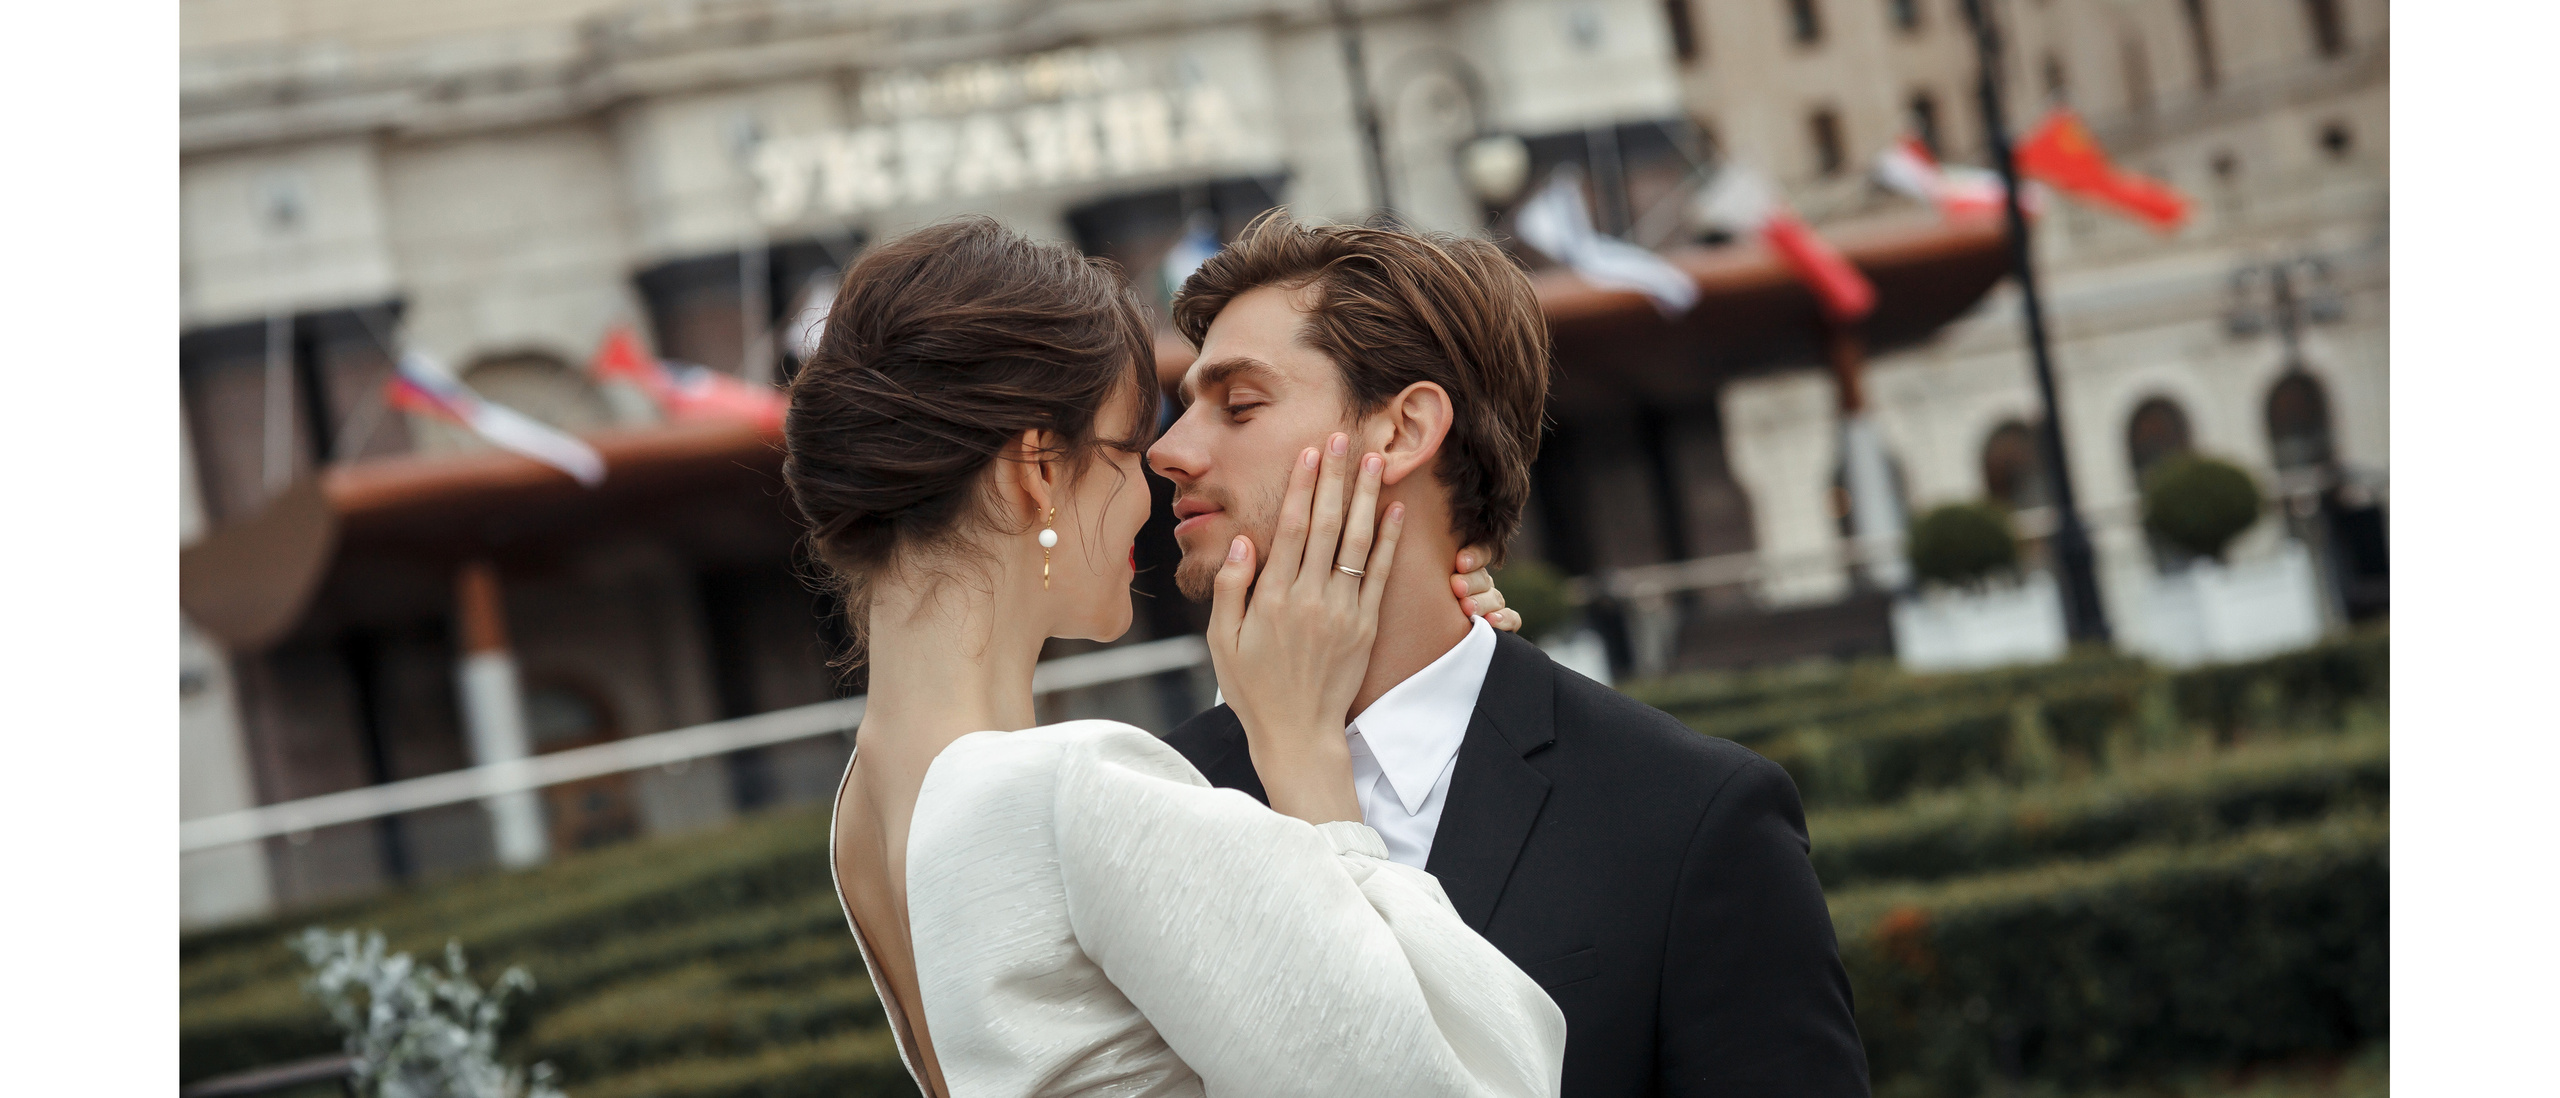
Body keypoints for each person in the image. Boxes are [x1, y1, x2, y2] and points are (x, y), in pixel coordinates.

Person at [787, 217, 1564, 1098]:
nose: (1159, 466)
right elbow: (1478, 1071)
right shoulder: (1073, 788)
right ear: (1035, 471)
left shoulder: (867, 810)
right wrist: (1304, 754)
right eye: (1125, 444)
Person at [1151, 214, 1873, 1098]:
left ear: (1404, 429)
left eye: (1240, 404)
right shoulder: (1152, 804)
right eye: (1184, 407)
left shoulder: (1688, 820)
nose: (1170, 450)